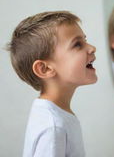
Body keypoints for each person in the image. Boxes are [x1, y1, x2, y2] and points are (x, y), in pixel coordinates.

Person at [7, 11, 97, 157]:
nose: (92, 47)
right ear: (45, 69)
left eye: (85, 40)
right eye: (78, 44)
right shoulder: (54, 127)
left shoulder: (54, 115)